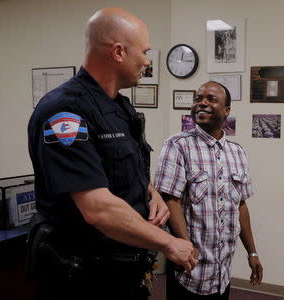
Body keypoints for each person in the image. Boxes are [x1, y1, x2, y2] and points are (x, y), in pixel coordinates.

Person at [27, 7, 197, 300]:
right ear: (118, 52)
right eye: (144, 52)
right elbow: (98, 208)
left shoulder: (119, 107)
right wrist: (168, 242)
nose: (147, 60)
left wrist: (150, 192)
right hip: (82, 278)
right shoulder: (65, 112)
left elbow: (124, 167)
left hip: (124, 269)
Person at [154, 81, 263, 299]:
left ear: (227, 111)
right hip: (190, 271)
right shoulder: (177, 145)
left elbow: (240, 204)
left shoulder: (237, 152)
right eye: (198, 98)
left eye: (211, 99)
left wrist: (252, 252)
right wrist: (186, 247)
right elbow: (169, 200)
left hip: (222, 272)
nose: (202, 103)